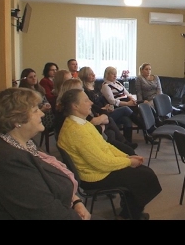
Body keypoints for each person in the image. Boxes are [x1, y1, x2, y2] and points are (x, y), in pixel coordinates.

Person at [0, 87, 91, 220]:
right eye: (35, 110)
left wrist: (76, 201)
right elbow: (46, 213)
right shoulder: (7, 161)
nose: (42, 114)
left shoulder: (23, 142)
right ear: (16, 120)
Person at [57, 88, 162, 220]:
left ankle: (130, 211)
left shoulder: (81, 123)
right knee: (145, 177)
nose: (90, 102)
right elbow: (101, 162)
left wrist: (126, 157)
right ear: (75, 106)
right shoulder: (75, 131)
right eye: (86, 100)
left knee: (142, 173)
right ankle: (128, 215)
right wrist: (129, 162)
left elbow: (105, 145)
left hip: (99, 168)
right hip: (94, 176)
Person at [54, 77, 137, 155]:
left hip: (97, 128)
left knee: (117, 125)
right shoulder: (72, 111)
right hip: (88, 138)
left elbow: (101, 113)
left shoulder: (82, 103)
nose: (83, 91)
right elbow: (90, 126)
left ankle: (122, 147)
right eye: (80, 89)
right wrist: (102, 123)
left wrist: (101, 120)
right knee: (121, 116)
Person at [79, 66, 138, 145]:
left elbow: (103, 100)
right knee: (125, 109)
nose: (94, 75)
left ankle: (128, 142)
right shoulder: (85, 91)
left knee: (126, 119)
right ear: (84, 76)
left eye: (93, 73)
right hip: (99, 113)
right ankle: (146, 128)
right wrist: (102, 109)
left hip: (107, 110)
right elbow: (91, 105)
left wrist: (108, 106)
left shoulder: (95, 87)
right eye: (90, 74)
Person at [18, 68, 55, 134]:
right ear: (25, 79)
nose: (34, 78)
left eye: (35, 76)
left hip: (47, 113)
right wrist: (42, 109)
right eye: (31, 77)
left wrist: (47, 105)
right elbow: (28, 110)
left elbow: (45, 100)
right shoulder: (24, 93)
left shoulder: (39, 88)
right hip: (37, 117)